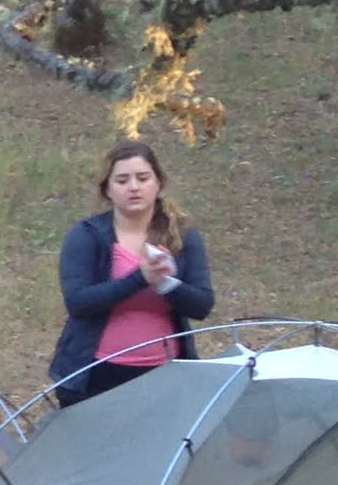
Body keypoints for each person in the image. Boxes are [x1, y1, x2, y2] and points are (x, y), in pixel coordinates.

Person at [46, 136, 214, 402]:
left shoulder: (182, 236)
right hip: (95, 374)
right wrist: (140, 278)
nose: (134, 187)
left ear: (158, 183)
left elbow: (202, 305)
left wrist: (166, 284)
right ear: (107, 190)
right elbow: (78, 302)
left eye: (143, 178)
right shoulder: (87, 235)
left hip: (165, 372)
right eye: (122, 181)